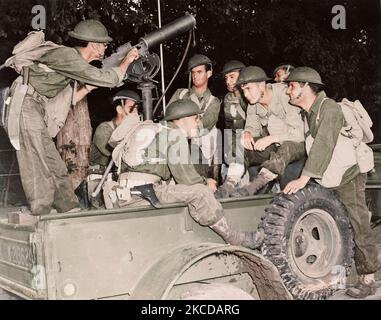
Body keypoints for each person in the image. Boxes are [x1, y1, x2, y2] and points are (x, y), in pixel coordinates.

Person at [8, 19, 139, 216]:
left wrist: (87, 87)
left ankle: (69, 209)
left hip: (35, 108)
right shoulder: (68, 56)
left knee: (55, 165)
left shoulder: (72, 64)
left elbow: (69, 98)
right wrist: (126, 61)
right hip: (25, 104)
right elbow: (105, 78)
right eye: (104, 43)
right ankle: (41, 215)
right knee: (36, 162)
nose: (105, 47)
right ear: (94, 45)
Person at [104, 99, 264, 249]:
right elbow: (187, 179)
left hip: (124, 193)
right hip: (141, 193)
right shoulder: (174, 135)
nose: (199, 123)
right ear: (182, 119)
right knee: (200, 193)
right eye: (195, 118)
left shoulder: (156, 131)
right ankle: (235, 237)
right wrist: (205, 184)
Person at [283, 66, 381, 298]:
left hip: (348, 174)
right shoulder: (308, 113)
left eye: (292, 86)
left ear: (306, 87)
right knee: (337, 225)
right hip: (329, 176)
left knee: (358, 222)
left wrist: (303, 178)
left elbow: (323, 145)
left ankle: (369, 278)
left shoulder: (330, 109)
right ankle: (339, 276)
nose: (288, 91)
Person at [217, 66, 305, 198]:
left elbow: (299, 133)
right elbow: (252, 127)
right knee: (239, 144)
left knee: (287, 147)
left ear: (262, 84)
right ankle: (229, 185)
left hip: (295, 144)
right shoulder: (253, 103)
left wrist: (272, 138)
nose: (246, 95)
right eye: (243, 90)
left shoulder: (284, 94)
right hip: (272, 146)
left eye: (249, 89)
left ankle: (254, 186)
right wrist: (247, 133)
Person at [168, 54, 221, 168]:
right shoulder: (180, 94)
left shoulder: (213, 102)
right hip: (175, 143)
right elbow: (168, 117)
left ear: (209, 73)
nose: (195, 76)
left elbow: (205, 124)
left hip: (200, 150)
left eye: (199, 72)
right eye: (193, 72)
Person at [215, 60, 247, 198]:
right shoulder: (228, 98)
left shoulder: (251, 96)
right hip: (234, 142)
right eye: (226, 78)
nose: (228, 81)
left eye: (232, 77)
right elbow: (228, 126)